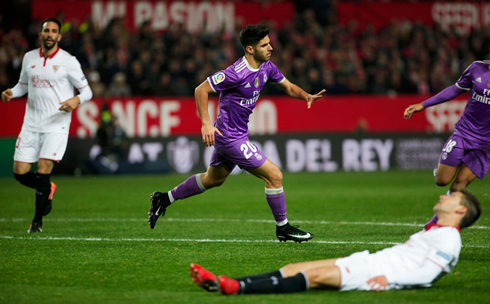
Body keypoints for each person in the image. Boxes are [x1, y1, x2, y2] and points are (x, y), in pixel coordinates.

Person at [148, 24, 325, 242]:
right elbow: (200, 90)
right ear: (250, 49)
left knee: (213, 179)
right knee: (275, 175)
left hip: (237, 134)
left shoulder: (267, 67)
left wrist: (306, 95)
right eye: (264, 45)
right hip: (229, 137)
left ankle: (164, 199)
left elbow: (288, 87)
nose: (270, 48)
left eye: (269, 43)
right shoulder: (235, 73)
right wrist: (205, 124)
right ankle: (283, 228)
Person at [189, 190, 481, 295]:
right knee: (294, 266)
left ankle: (234, 287)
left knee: (312, 277)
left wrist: (389, 277)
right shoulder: (436, 231)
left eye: (451, 197)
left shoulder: (449, 239)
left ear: (460, 211)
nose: (444, 196)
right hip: (369, 260)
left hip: (374, 273)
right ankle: (229, 281)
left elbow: (429, 273)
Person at [1, 18, 93, 233]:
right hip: (31, 124)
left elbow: (87, 91)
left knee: (43, 170)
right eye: (46, 31)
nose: (49, 34)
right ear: (41, 34)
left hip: (56, 124)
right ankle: (48, 188)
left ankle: (36, 222)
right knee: (20, 172)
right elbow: (23, 85)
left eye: (54, 31)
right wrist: (11, 93)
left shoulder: (68, 61)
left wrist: (75, 100)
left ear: (59, 36)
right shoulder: (29, 58)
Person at [404, 60, 490, 226]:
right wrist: (423, 104)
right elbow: (455, 89)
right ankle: (440, 168)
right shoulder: (477, 68)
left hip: (486, 145)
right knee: (442, 181)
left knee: (460, 184)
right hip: (464, 133)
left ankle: (434, 224)